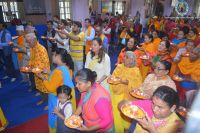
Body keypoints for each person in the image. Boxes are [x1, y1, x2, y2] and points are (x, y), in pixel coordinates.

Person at [36, 48, 75, 133]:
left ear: (58, 57)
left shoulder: (58, 71)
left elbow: (50, 88)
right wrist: (50, 73)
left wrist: (43, 78)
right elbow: (61, 80)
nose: (52, 56)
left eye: (53, 54)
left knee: (56, 118)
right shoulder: (68, 68)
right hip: (65, 97)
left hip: (57, 98)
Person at [108, 51, 142, 133]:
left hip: (128, 97)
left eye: (126, 57)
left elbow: (138, 85)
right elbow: (113, 78)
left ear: (131, 60)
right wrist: (113, 79)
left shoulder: (136, 70)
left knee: (127, 117)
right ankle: (117, 130)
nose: (124, 58)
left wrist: (125, 82)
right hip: (117, 94)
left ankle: (126, 129)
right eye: (124, 56)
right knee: (116, 114)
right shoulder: (119, 67)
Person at [25, 33, 50, 107]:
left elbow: (45, 63)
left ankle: (49, 103)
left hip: (43, 73)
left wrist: (34, 69)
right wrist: (29, 66)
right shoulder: (32, 48)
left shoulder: (41, 49)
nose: (28, 44)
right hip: (36, 72)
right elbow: (32, 59)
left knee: (46, 89)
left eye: (28, 42)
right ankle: (43, 99)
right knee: (39, 87)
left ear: (34, 40)